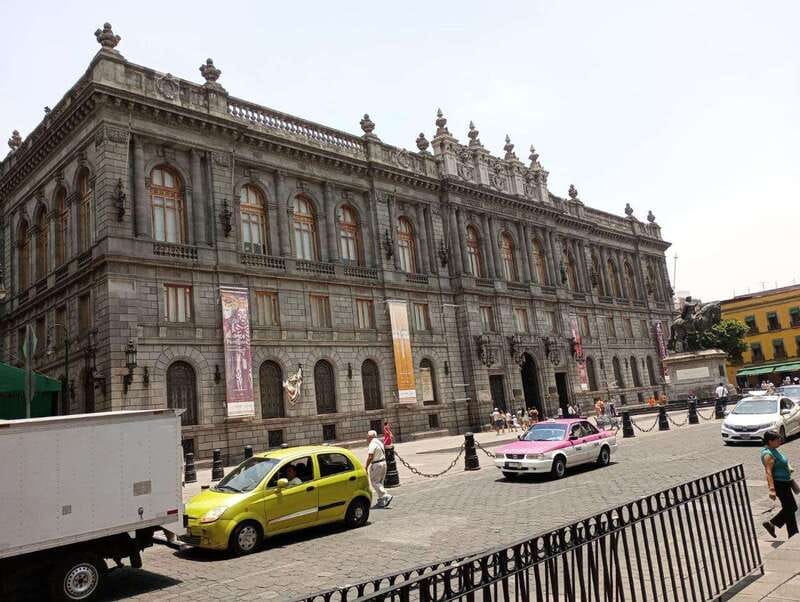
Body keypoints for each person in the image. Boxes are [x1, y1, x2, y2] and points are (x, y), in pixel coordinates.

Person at [761, 430, 797, 538]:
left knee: (790, 508)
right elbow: (768, 472)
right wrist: (771, 489)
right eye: (777, 439)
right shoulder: (768, 454)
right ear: (770, 441)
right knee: (790, 508)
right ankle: (792, 533)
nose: (780, 441)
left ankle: (773, 524)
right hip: (779, 484)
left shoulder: (774, 450)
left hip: (785, 483)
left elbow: (781, 461)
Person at [365, 430, 393, 508]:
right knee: (380, 482)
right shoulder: (379, 442)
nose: (367, 438)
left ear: (370, 437)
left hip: (377, 464)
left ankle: (386, 495)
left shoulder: (372, 444)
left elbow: (370, 457)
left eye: (367, 437)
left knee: (375, 482)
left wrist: (366, 467)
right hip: (384, 463)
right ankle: (382, 501)